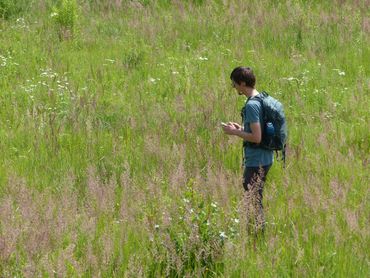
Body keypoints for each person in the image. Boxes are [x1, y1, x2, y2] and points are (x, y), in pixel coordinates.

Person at [222, 66, 273, 234]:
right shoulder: (262, 98)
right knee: (254, 197)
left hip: (256, 160)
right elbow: (257, 130)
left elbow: (257, 138)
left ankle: (257, 235)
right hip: (265, 157)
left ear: (242, 83)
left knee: (253, 199)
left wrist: (235, 132)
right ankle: (256, 232)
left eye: (234, 84)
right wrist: (241, 127)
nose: (234, 87)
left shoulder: (252, 105)